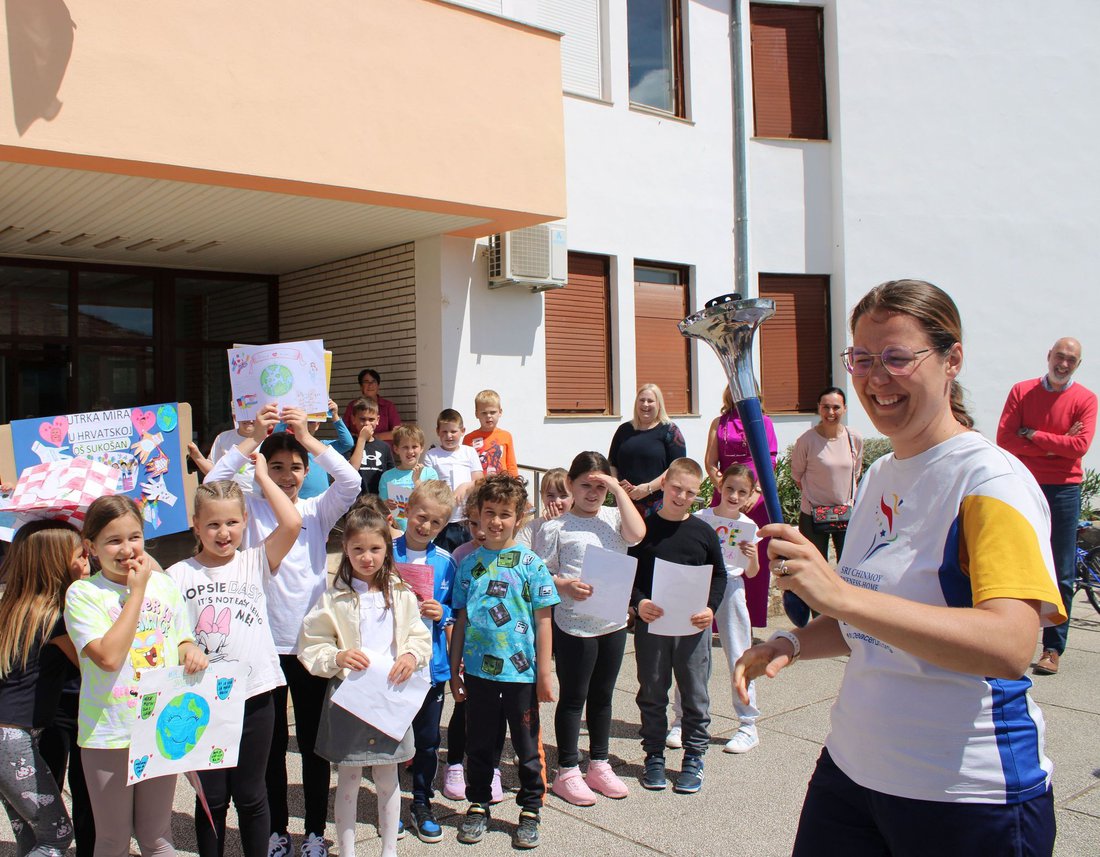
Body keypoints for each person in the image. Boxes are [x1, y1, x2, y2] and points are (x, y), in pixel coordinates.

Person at [735, 279, 1064, 856]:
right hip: (853, 771)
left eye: (896, 358)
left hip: (966, 796)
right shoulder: (881, 475)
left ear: (951, 359)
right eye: (862, 359)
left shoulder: (992, 482)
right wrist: (791, 642)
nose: (876, 378)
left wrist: (839, 596)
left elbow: (1011, 645)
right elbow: (866, 622)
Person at [204, 403, 361, 857]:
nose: (287, 475)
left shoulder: (316, 509)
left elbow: (350, 482)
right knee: (269, 748)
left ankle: (313, 831)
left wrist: (308, 436)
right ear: (261, 470)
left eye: (295, 468)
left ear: (307, 471)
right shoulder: (249, 508)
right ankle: (275, 831)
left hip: (310, 646)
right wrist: (253, 438)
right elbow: (214, 483)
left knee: (312, 744)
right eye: (276, 467)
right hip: (261, 646)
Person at [166, 461, 302, 857]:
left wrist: (263, 477)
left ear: (245, 520)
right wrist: (184, 649)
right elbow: (169, 634)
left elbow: (292, 522)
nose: (223, 533)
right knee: (212, 798)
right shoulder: (176, 575)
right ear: (195, 526)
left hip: (255, 696)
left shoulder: (254, 561)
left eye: (231, 522)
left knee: (251, 794)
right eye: (212, 525)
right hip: (201, 700)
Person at [65, 496, 208, 857]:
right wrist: (137, 591)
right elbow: (108, 657)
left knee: (157, 836)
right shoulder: (83, 594)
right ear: (91, 547)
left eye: (134, 537)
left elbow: (180, 638)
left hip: (160, 726)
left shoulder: (164, 585)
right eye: (113, 541)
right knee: (112, 840)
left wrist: (190, 650)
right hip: (109, 732)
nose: (127, 549)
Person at [297, 507, 431, 857]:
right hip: (350, 700)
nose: (366, 557)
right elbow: (312, 643)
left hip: (389, 698)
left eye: (375, 548)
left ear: (387, 548)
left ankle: (389, 850)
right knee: (349, 780)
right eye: (358, 549)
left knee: (388, 778)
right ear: (346, 549)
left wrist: (411, 656)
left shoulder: (401, 593)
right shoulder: (334, 597)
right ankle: (348, 850)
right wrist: (338, 656)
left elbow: (419, 635)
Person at [447, 475, 560, 849]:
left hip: (521, 675)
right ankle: (478, 803)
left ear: (519, 518)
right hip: (478, 674)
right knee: (480, 743)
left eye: (505, 514)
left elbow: (544, 621)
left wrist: (545, 674)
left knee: (527, 748)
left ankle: (530, 809)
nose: (496, 521)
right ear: (477, 515)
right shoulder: (469, 565)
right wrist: (454, 671)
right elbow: (461, 619)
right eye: (489, 512)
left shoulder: (531, 565)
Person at [535, 452, 645, 805]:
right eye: (585, 485)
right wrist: (563, 586)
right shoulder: (556, 526)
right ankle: (567, 769)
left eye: (600, 486)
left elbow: (638, 534)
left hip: (612, 621)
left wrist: (616, 487)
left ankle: (599, 762)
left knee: (603, 696)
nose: (593, 493)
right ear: (570, 484)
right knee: (573, 697)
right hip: (575, 625)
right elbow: (539, 573)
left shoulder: (615, 517)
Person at [997, 337, 1097, 676]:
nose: (1063, 364)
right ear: (1049, 356)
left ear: (1078, 365)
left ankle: (1052, 649)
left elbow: (1079, 447)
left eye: (1071, 360)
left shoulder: (1086, 399)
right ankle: (1009, 639)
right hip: (1024, 484)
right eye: (1059, 356)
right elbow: (1006, 439)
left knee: (1061, 571)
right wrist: (1057, 444)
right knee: (1014, 564)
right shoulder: (1022, 391)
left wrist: (1032, 435)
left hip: (1065, 490)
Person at [628, 458, 725, 796]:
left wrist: (711, 608)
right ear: (665, 484)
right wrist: (639, 603)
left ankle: (694, 756)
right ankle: (654, 755)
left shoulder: (703, 533)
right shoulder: (644, 531)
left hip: (693, 629)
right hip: (653, 627)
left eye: (690, 492)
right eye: (676, 488)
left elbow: (719, 575)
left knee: (695, 694)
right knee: (652, 693)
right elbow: (631, 576)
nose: (682, 497)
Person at [0, 520, 85, 857]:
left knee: (32, 838)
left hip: (9, 739)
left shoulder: (15, 608)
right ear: (57, 564)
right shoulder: (57, 619)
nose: (87, 561)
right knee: (57, 836)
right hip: (15, 741)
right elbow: (92, 665)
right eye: (80, 555)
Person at [392, 480, 458, 843]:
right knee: (390, 737)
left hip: (430, 667)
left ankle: (421, 802)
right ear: (407, 510)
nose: (426, 526)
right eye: (421, 516)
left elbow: (454, 610)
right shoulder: (386, 552)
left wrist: (441, 611)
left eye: (436, 522)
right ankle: (390, 805)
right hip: (391, 663)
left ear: (444, 525)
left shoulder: (446, 562)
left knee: (428, 740)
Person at [440, 496, 508, 806]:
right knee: (463, 707)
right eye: (474, 523)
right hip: (469, 648)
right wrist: (456, 653)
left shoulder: (515, 555)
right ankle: (455, 763)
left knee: (498, 711)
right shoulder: (461, 555)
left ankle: (493, 767)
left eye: (486, 522)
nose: (481, 530)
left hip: (502, 651)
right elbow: (456, 609)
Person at [692, 466, 762, 753]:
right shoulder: (701, 518)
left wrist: (752, 556)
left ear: (750, 494)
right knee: (692, 655)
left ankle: (748, 724)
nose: (734, 496)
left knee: (739, 653)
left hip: (732, 587)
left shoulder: (748, 526)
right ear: (720, 485)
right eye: (730, 488)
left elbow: (753, 572)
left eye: (742, 492)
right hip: (701, 585)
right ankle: (685, 719)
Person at [704, 386, 777, 627]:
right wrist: (724, 487)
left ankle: (749, 622)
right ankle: (715, 621)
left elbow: (770, 459)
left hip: (755, 498)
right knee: (719, 558)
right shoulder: (719, 422)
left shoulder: (764, 421)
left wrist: (755, 492)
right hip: (726, 497)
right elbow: (710, 462)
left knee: (751, 558)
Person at [791, 387, 864, 562]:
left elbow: (855, 474)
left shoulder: (854, 438)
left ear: (845, 409)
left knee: (848, 565)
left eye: (836, 407)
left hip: (846, 513)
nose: (831, 413)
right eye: (825, 407)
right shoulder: (806, 440)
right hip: (812, 514)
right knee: (814, 566)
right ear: (819, 408)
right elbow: (797, 477)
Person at [608, 384, 687, 518]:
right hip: (624, 502)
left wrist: (648, 488)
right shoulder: (624, 430)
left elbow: (678, 467)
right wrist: (616, 486)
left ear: (659, 404)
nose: (645, 404)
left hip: (657, 505)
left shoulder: (670, 430)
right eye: (642, 400)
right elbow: (612, 463)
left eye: (650, 401)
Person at [422, 408, 483, 552]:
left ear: (462, 431)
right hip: (444, 520)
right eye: (444, 432)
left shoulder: (469, 452)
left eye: (453, 431)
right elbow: (428, 486)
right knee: (443, 556)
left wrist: (465, 486)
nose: (449, 436)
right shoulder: (432, 455)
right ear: (438, 432)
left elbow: (480, 482)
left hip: (467, 519)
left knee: (470, 556)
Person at [379, 425, 439, 532]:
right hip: (396, 532)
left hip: (423, 531)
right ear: (396, 449)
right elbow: (381, 507)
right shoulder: (387, 476)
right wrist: (386, 504)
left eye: (414, 446)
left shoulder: (430, 473)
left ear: (422, 448)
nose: (410, 451)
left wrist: (417, 482)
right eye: (405, 447)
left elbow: (434, 503)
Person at [462, 390, 518, 477]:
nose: (488, 416)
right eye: (484, 413)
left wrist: (515, 483)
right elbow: (464, 466)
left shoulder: (506, 436)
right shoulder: (469, 439)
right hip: (479, 484)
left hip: (502, 484)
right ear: (476, 414)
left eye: (492, 412)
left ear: (500, 412)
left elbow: (511, 465)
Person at [347, 397, 395, 497]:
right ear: (353, 419)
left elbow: (391, 476)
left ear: (377, 420)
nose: (367, 423)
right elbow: (350, 471)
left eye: (371, 419)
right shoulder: (348, 445)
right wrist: (362, 439)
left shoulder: (384, 447)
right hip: (355, 501)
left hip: (378, 501)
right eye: (362, 419)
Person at [515, 468, 571, 549]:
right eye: (550, 495)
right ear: (542, 496)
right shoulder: (531, 528)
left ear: (573, 497)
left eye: (563, 496)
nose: (557, 502)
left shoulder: (579, 527)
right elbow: (520, 553)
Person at [342, 369, 401, 442]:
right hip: (358, 446)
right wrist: (360, 438)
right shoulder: (352, 405)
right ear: (361, 386)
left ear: (378, 386)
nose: (370, 385)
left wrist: (372, 438)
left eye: (373, 381)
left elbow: (397, 432)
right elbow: (343, 432)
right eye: (366, 382)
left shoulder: (388, 406)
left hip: (383, 447)